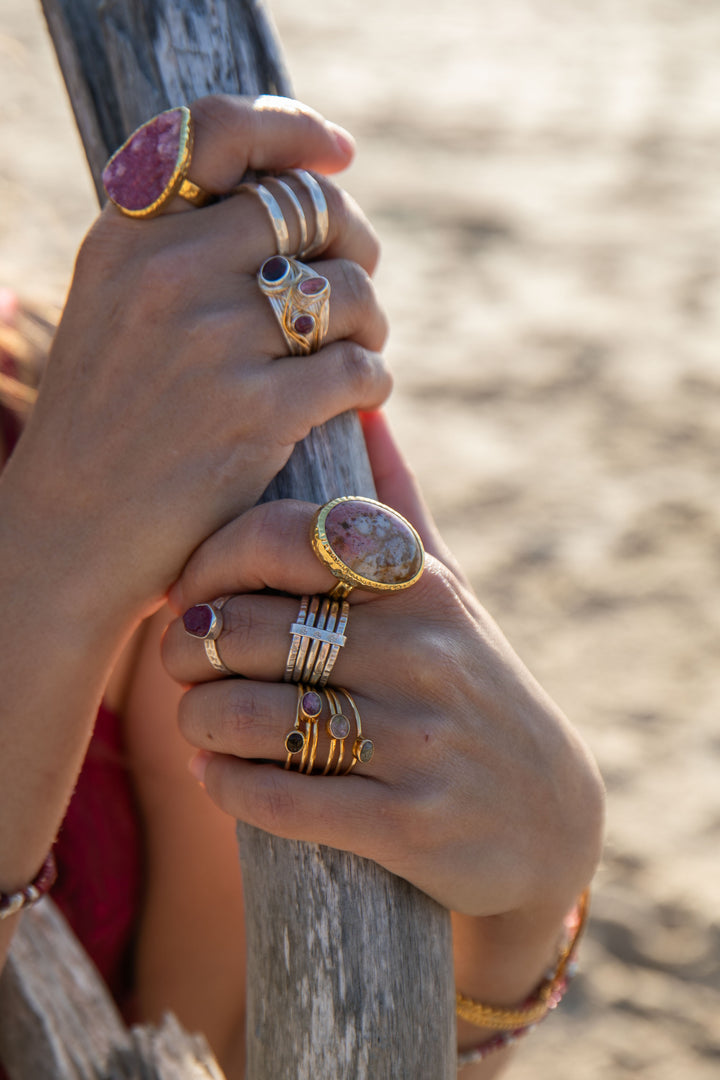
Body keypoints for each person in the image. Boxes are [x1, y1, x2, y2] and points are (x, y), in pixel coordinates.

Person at [0, 95, 604, 1078]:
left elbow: (240, 1050)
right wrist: (45, 569)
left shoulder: (79, 415)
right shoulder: (81, 478)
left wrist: (526, 911)